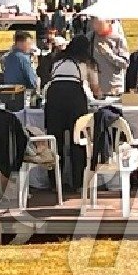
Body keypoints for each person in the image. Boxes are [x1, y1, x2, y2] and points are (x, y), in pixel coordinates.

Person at [44, 36, 95, 191]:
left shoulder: (57, 62)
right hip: (74, 98)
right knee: (77, 140)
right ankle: (78, 182)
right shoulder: (84, 64)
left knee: (55, 141)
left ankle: (55, 182)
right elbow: (96, 87)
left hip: (54, 97)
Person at [89, 19, 130, 96]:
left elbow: (125, 64)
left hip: (114, 87)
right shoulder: (91, 37)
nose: (95, 27)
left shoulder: (118, 39)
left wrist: (108, 54)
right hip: (96, 88)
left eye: (99, 24)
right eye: (94, 23)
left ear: (108, 23)